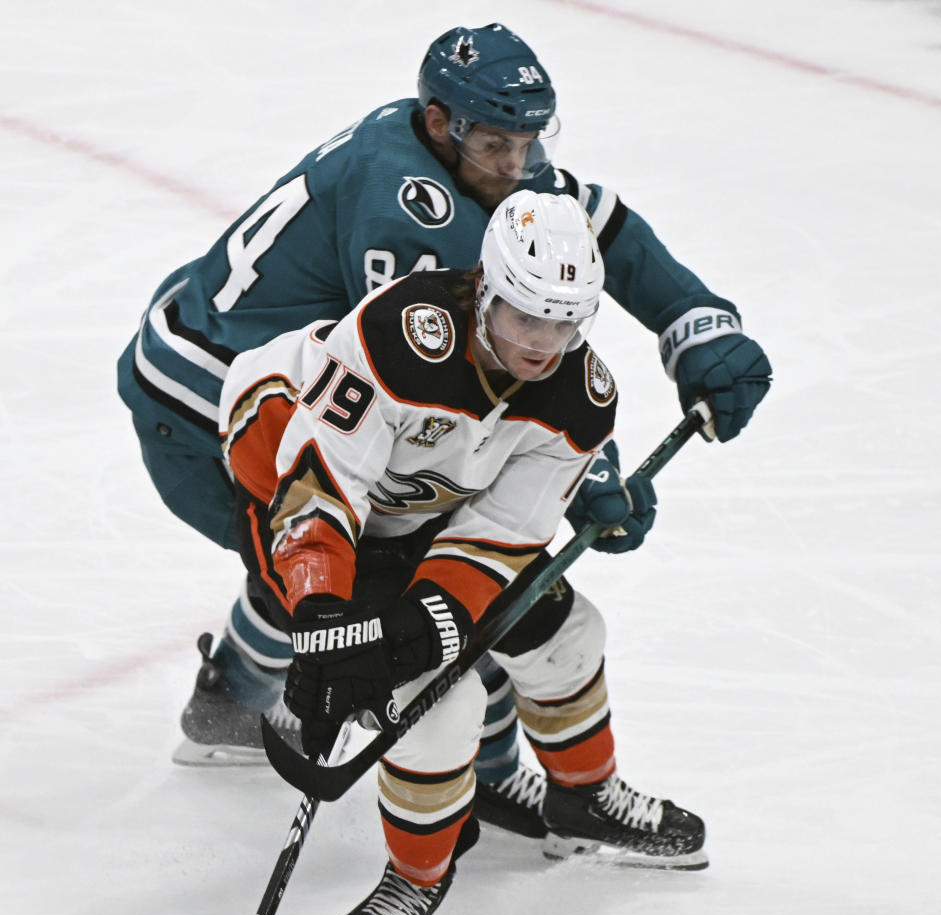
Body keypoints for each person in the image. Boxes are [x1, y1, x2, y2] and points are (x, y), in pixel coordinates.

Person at [116, 22, 771, 838]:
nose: (520, 165)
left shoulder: (453, 147)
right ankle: (482, 779)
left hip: (201, 360)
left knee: (352, 551)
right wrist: (590, 473)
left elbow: (592, 221)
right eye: (499, 146)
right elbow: (473, 382)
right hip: (212, 411)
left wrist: (695, 321)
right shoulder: (411, 216)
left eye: (531, 142)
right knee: (404, 573)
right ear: (440, 125)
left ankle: (231, 701)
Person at [220, 190, 707, 915]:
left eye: (566, 322)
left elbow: (503, 534)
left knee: (567, 635)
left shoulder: (580, 398)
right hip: (277, 449)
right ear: (486, 287)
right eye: (527, 318)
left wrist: (431, 621)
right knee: (434, 702)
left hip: (421, 509)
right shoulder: (396, 337)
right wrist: (320, 619)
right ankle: (418, 875)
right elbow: (319, 484)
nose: (544, 343)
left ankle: (584, 800)